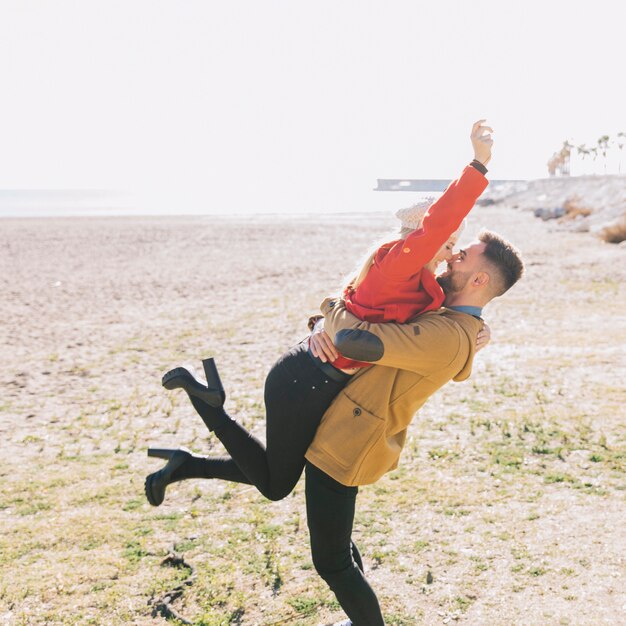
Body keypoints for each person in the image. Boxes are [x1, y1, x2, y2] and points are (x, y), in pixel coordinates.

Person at [144, 121, 493, 506]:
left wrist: (476, 330)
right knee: (276, 484)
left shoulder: (413, 282)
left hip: (321, 378)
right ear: (420, 240)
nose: (449, 254)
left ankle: (184, 464)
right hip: (304, 378)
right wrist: (478, 165)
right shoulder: (397, 265)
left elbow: (433, 324)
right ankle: (209, 405)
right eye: (447, 244)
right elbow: (434, 229)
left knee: (277, 473)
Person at [302, 231, 524, 624]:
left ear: (479, 281)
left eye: (463, 256)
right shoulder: (445, 316)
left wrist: (332, 305)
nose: (451, 255)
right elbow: (382, 318)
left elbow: (357, 340)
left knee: (332, 562)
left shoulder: (447, 332)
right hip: (346, 429)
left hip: (349, 441)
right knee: (337, 544)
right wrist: (322, 324)